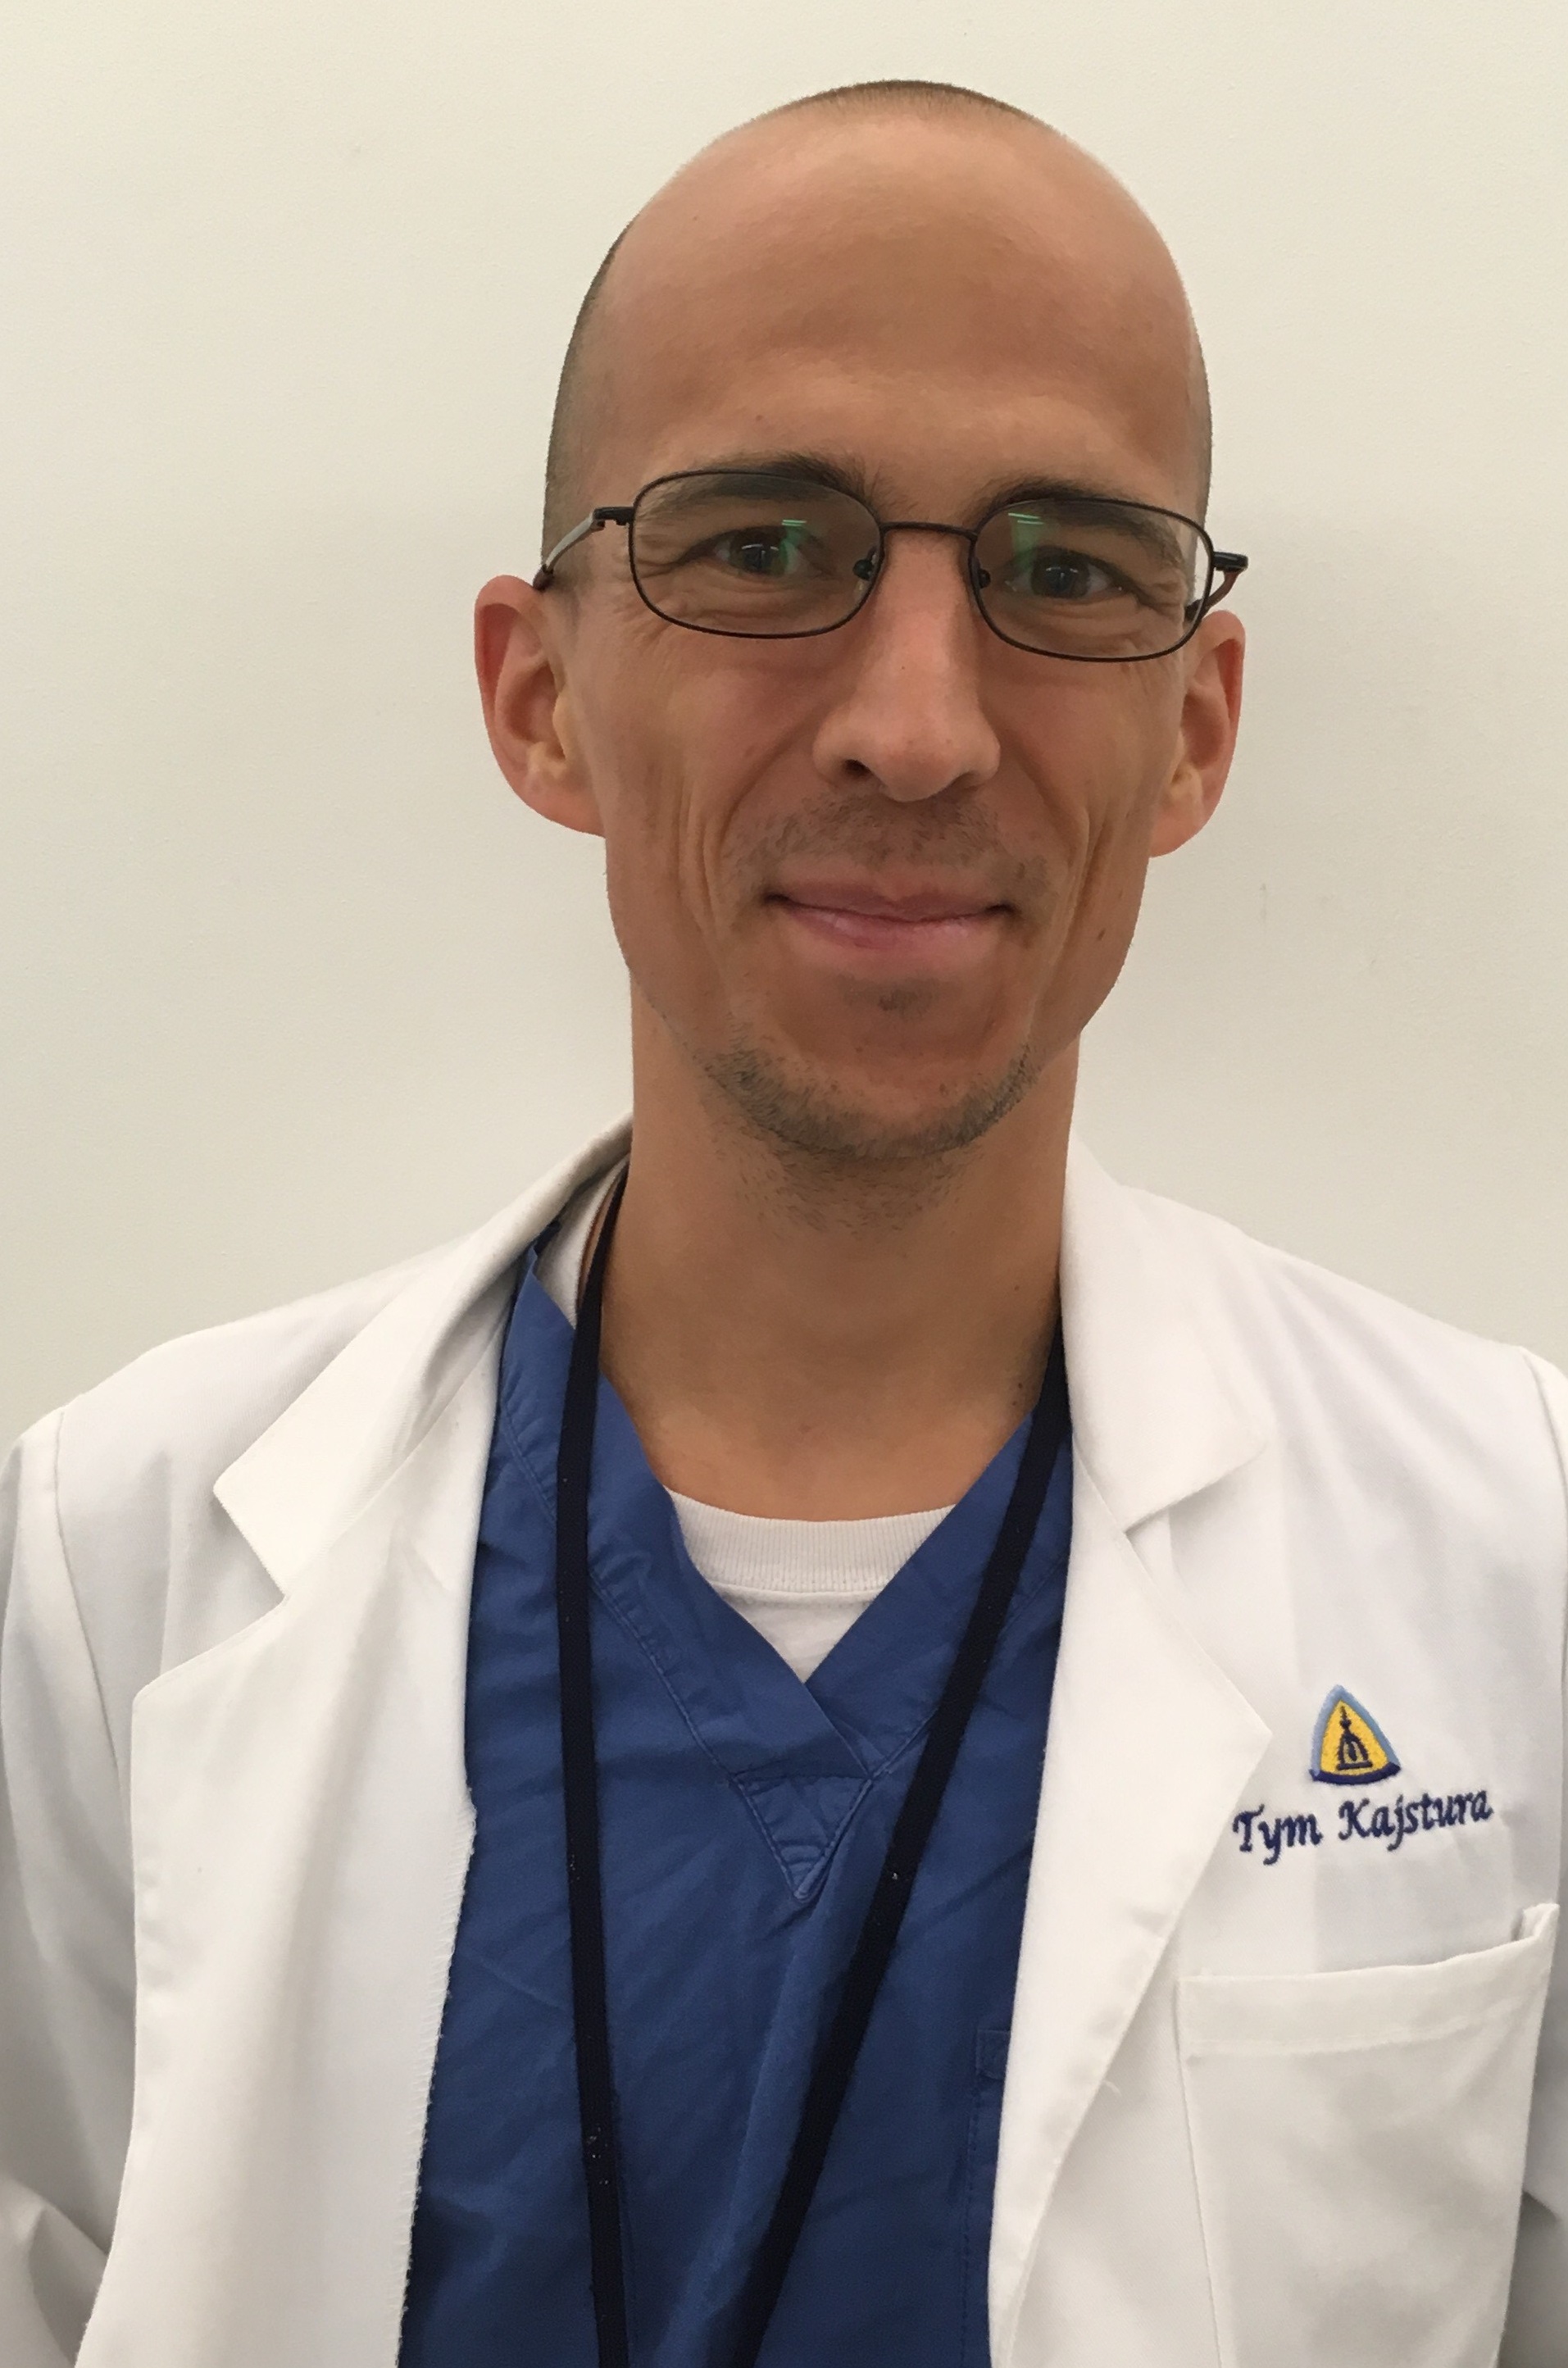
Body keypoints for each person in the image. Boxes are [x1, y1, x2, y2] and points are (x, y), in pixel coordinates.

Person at [2, 75, 1565, 2368]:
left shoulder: (1518, 1553)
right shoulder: (113, 1570)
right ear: (540, 696)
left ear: (1197, 729)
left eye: (1065, 570)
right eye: (760, 545)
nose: (917, 728)